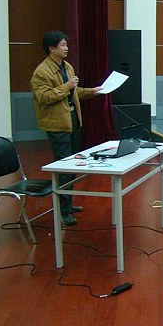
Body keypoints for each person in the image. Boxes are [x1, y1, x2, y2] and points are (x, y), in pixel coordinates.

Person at [31, 30, 102, 226]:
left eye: (66, 45)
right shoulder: (41, 72)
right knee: (63, 167)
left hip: (73, 120)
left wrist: (93, 91)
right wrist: (67, 86)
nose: (67, 48)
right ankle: (63, 211)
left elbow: (75, 92)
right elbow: (44, 97)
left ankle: (68, 204)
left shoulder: (67, 66)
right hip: (57, 124)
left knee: (71, 166)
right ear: (51, 48)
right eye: (62, 45)